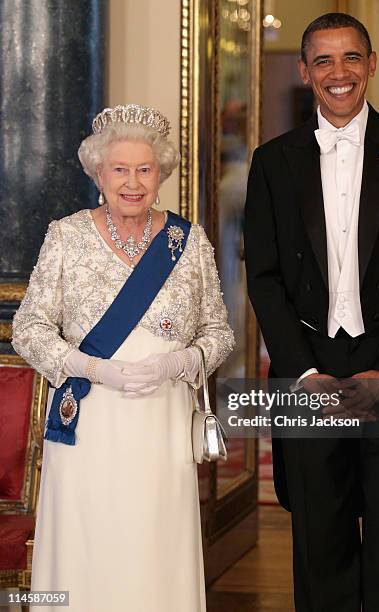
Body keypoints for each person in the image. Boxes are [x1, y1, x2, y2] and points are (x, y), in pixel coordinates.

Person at [244, 12, 379, 612]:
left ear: (372, 64)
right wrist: (302, 372)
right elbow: (263, 276)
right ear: (306, 71)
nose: (340, 73)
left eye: (352, 58)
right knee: (317, 530)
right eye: (325, 60)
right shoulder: (273, 161)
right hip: (308, 363)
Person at [12, 104, 234, 612]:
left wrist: (178, 363)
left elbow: (219, 331)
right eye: (120, 169)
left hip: (161, 422)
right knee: (90, 542)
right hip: (90, 421)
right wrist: (92, 367)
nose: (132, 182)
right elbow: (29, 329)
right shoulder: (66, 236)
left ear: (161, 174)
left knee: (153, 544)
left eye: (144, 169)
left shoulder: (188, 240)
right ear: (98, 173)